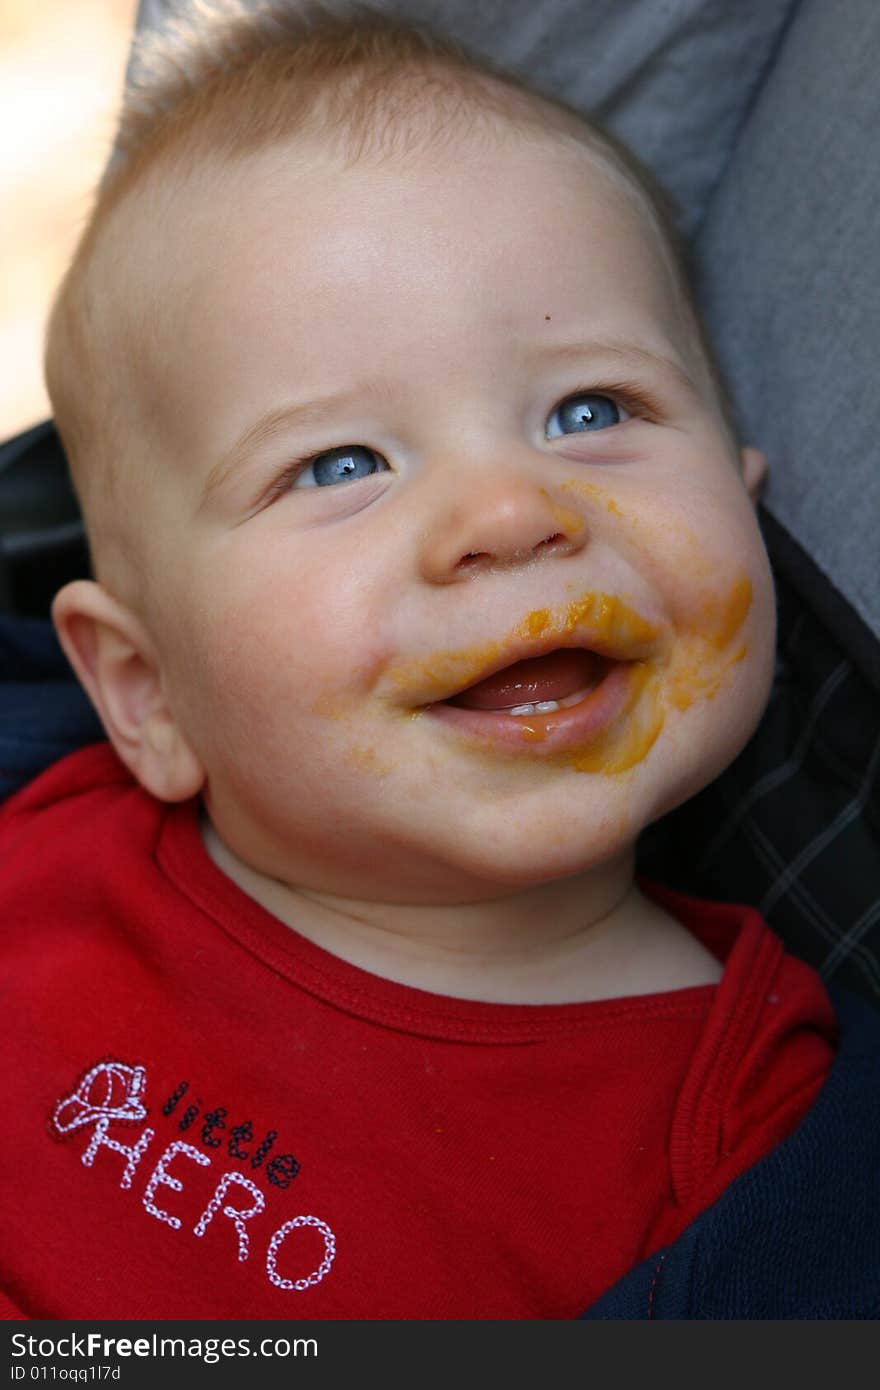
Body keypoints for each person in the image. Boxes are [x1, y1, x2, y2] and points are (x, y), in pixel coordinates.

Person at [0, 0, 876, 1320]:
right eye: (343, 464)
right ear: (145, 690)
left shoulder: (756, 1130)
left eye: (594, 410)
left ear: (748, 510)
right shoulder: (34, 843)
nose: (512, 513)